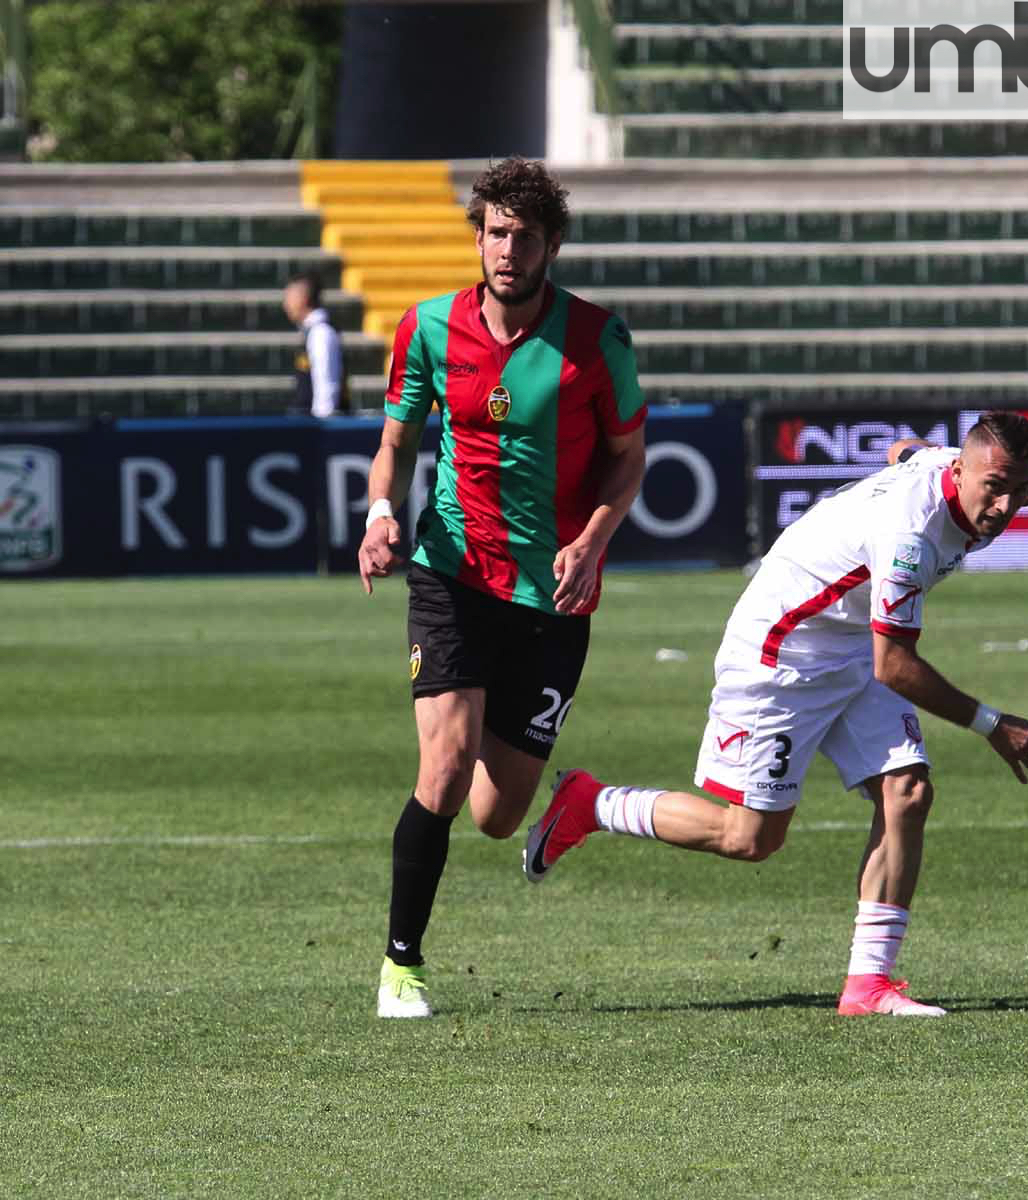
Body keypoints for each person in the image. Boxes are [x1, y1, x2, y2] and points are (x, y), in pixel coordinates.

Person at [523, 412, 1028, 1018]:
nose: (1003, 505)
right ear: (961, 470)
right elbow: (896, 667)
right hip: (780, 658)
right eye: (993, 486)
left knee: (908, 791)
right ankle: (591, 803)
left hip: (850, 644)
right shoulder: (909, 535)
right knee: (749, 838)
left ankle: (868, 985)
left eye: (1018, 489)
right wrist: (994, 724)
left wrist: (1014, 484)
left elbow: (904, 449)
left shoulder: (948, 467)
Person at [356, 156, 648, 1018]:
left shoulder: (599, 339)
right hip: (453, 572)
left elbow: (628, 458)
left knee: (493, 814)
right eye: (493, 232)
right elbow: (397, 442)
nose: (506, 249)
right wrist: (380, 513)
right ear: (477, 238)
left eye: (523, 235)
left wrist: (594, 539)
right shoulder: (430, 328)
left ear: (551, 243)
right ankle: (401, 966)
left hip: (555, 595)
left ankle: (579, 803)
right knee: (442, 772)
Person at [283, 270, 344, 417]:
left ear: (302, 298)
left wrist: (321, 431)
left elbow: (326, 390)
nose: (286, 304)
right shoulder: (311, 331)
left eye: (289, 297)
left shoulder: (321, 333)